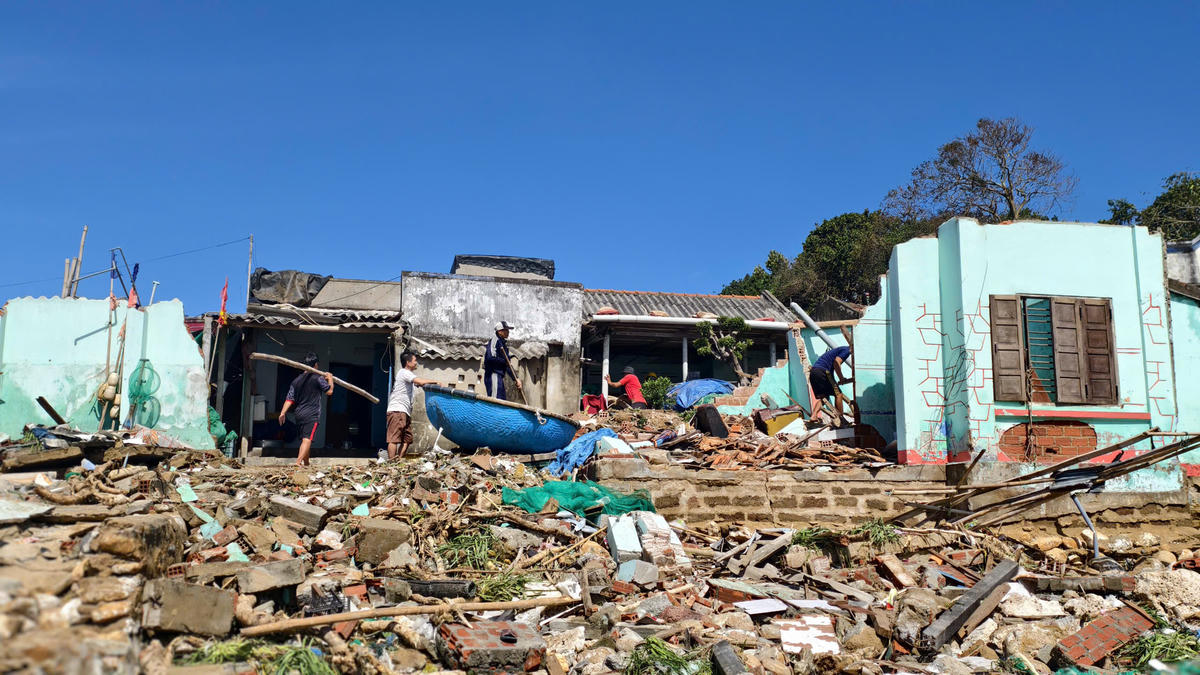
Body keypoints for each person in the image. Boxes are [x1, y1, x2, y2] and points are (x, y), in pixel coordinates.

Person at [277, 352, 334, 467]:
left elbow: (289, 398)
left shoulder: (296, 381)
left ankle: (306, 463)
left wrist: (283, 412)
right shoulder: (318, 378)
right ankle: (298, 462)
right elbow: (329, 391)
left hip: (299, 414)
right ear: (316, 365)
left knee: (305, 439)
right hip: (311, 414)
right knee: (307, 439)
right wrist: (330, 379)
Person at [387, 351, 439, 460]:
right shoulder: (404, 372)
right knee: (394, 439)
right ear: (408, 362)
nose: (416, 363)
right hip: (397, 410)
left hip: (404, 411)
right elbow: (420, 381)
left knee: (407, 439)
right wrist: (436, 382)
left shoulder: (407, 375)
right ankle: (390, 463)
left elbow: (418, 383)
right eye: (415, 361)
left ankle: (398, 461)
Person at [809, 345, 854, 420]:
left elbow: (831, 372)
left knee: (824, 398)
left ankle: (813, 415)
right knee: (838, 394)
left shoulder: (834, 352)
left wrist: (839, 380)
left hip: (814, 372)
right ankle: (840, 419)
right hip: (823, 371)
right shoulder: (847, 350)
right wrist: (841, 378)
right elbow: (836, 362)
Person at [483, 321, 522, 400]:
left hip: (499, 377)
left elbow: (508, 365)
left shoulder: (503, 344)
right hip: (493, 375)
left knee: (501, 400)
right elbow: (490, 358)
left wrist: (516, 379)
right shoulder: (495, 341)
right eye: (506, 330)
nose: (508, 332)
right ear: (500, 331)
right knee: (495, 401)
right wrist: (504, 361)